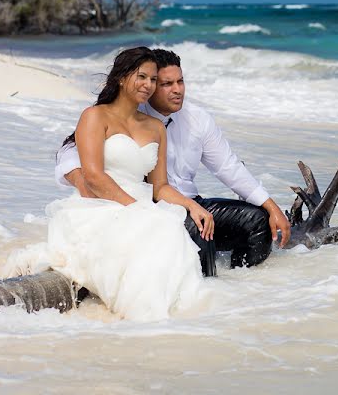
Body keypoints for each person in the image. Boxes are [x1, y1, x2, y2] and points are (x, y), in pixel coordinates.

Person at [56, 48, 291, 277]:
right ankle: (202, 288)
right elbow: (71, 153)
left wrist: (271, 206)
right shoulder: (123, 112)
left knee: (257, 222)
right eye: (166, 84)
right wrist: (82, 180)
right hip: (149, 205)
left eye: (180, 81)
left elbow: (228, 167)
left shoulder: (192, 119)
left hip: (186, 201)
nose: (177, 90)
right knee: (200, 232)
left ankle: (239, 286)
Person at [17, 46, 211, 321]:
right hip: (100, 206)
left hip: (141, 206)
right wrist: (136, 209)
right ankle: (144, 318)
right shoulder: (95, 116)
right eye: (141, 76)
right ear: (122, 77)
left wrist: (192, 206)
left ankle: (176, 320)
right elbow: (94, 176)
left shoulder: (155, 127)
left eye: (153, 79)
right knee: (159, 228)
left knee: (169, 227)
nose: (148, 85)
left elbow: (160, 187)